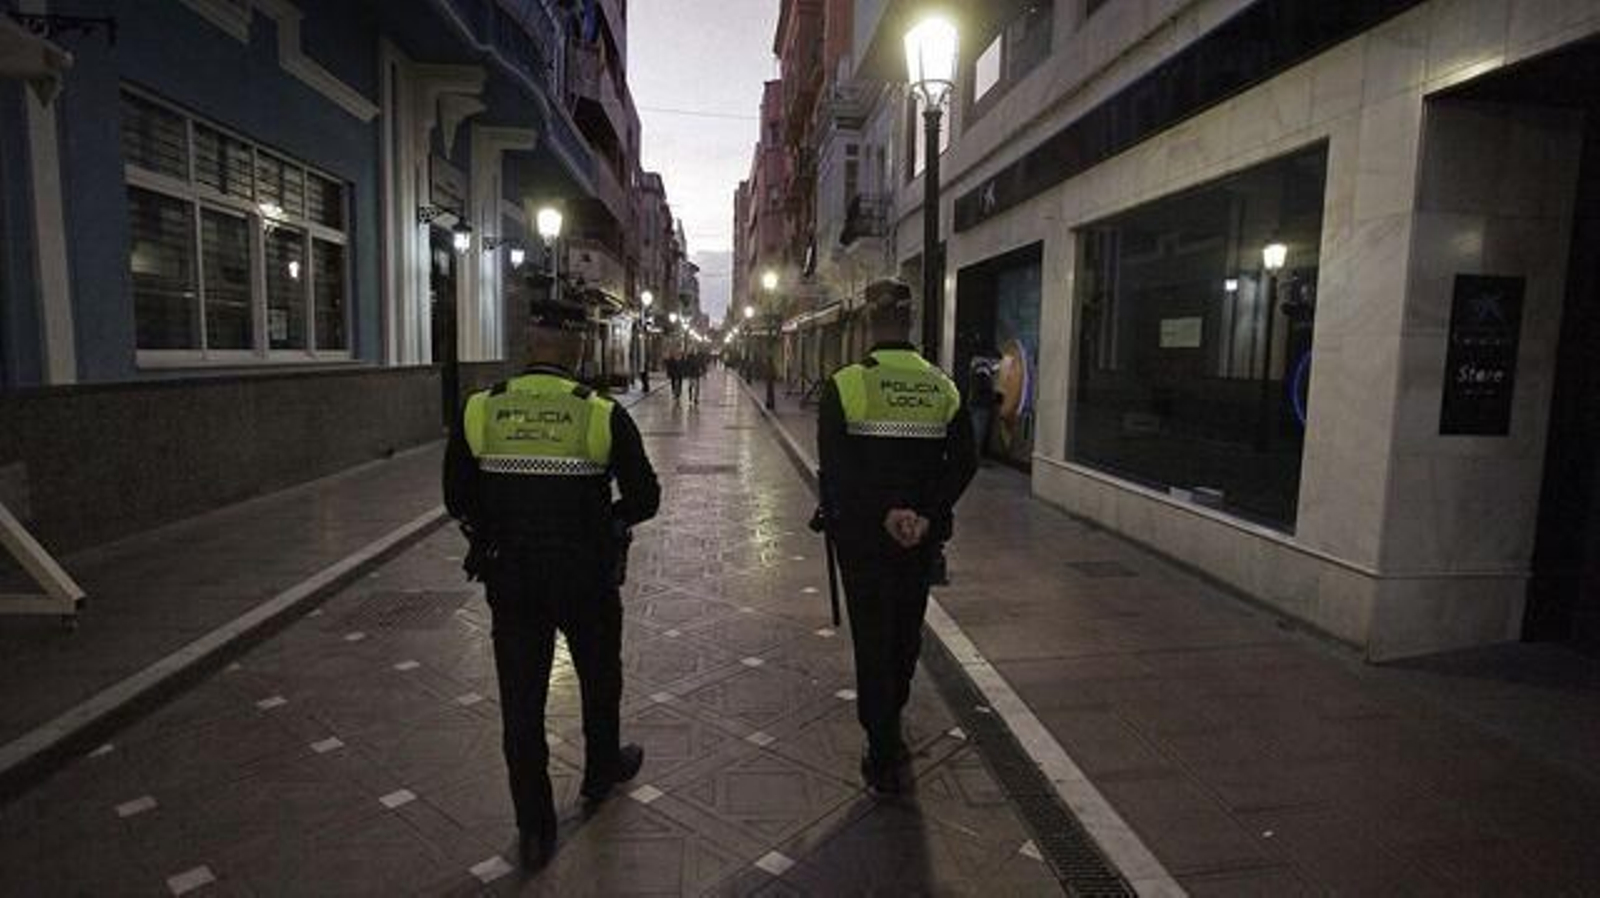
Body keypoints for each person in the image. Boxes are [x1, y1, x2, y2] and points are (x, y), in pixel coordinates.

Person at [443, 302, 661, 869]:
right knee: (598, 677)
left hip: (512, 579)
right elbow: (645, 497)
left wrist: (493, 528)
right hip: (585, 576)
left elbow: (456, 498)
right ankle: (599, 771)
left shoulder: (480, 409)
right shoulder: (599, 413)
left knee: (521, 699)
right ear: (576, 349)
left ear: (527, 342)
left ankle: (535, 825)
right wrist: (609, 521)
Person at [816, 323, 978, 794]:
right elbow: (964, 462)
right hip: (920, 540)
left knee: (872, 637)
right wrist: (924, 515)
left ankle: (881, 742)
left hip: (865, 538)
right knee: (906, 631)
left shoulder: (846, 383)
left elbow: (836, 468)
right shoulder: (942, 385)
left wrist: (885, 513)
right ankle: (894, 710)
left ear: (867, 327)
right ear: (910, 331)